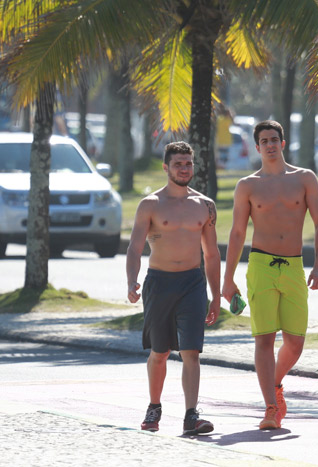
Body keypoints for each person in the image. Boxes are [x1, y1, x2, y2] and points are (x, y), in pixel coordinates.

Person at [221, 120, 318, 430]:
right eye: (263, 141)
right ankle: (270, 406)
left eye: (274, 139)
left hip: (293, 265)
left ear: (282, 143)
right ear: (256, 147)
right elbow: (238, 232)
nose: (269, 144)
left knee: (295, 343)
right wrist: (228, 280)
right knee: (264, 339)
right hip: (261, 266)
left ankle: (275, 383)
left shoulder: (305, 179)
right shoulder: (248, 185)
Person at [126, 141, 221, 435]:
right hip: (159, 283)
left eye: (188, 164)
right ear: (166, 167)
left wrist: (216, 295)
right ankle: (154, 406)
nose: (184, 169)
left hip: (193, 283)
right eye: (178, 164)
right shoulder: (151, 204)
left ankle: (191, 415)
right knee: (161, 351)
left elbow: (212, 253)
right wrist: (132, 280)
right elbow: (134, 247)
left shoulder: (205, 206)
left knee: (191, 351)